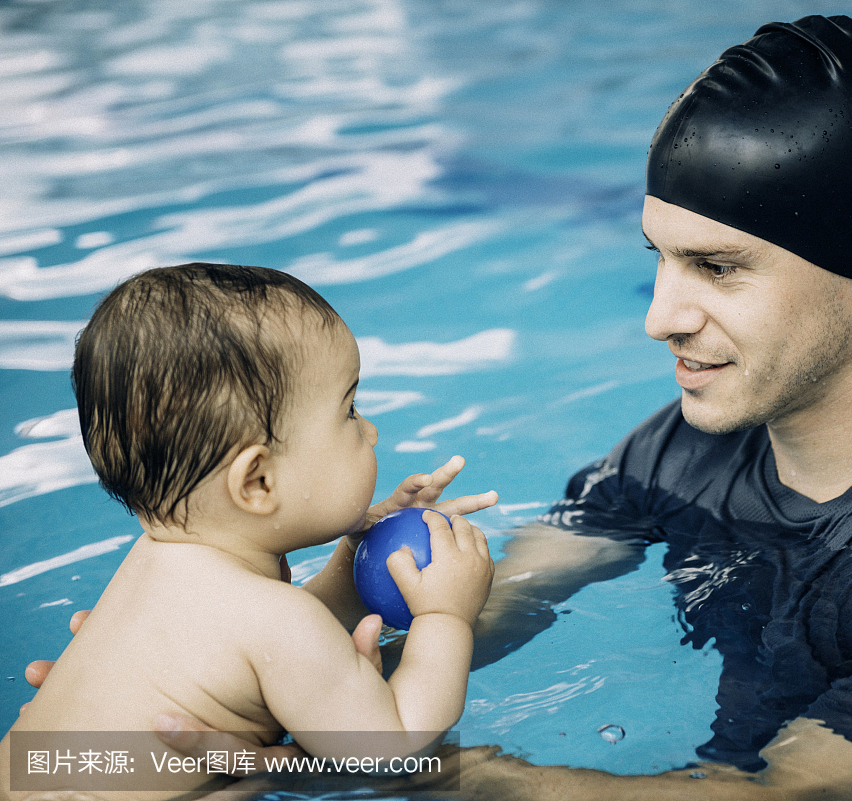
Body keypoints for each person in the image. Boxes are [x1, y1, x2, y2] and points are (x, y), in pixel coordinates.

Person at [25, 15, 852, 801]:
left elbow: (775, 797)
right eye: (658, 262)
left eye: (716, 270)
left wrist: (343, 769)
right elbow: (492, 592)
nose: (660, 318)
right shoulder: (686, 445)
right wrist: (189, 690)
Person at [3, 263, 496, 799]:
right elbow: (393, 747)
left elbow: (281, 655)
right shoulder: (278, 621)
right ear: (257, 481)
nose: (370, 430)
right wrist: (445, 618)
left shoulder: (153, 565)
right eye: (350, 410)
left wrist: (356, 553)